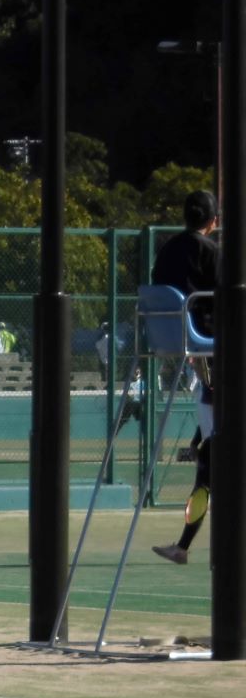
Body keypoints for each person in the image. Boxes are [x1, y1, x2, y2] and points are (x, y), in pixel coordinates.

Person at [152, 190, 220, 566]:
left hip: (177, 336)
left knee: (207, 474)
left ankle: (183, 545)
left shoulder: (165, 251)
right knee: (207, 474)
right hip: (207, 338)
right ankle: (184, 545)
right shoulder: (210, 252)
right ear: (212, 221)